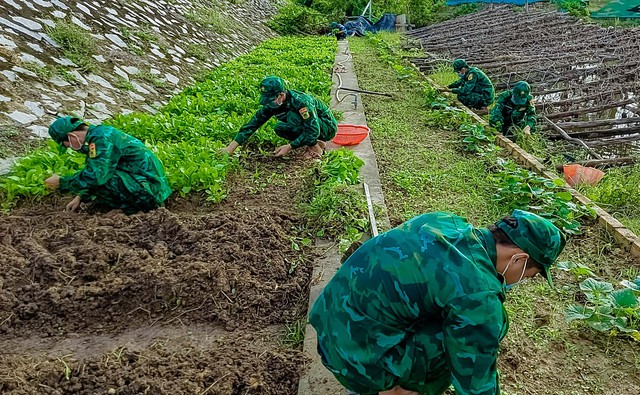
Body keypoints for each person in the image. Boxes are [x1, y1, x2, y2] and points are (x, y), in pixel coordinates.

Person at [310, 209, 566, 395]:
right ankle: (394, 389)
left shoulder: (444, 222)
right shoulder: (478, 295)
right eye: (530, 275)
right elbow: (475, 379)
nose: (523, 280)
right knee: (469, 336)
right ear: (519, 259)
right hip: (355, 364)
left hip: (330, 324)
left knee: (450, 318)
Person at [44, 116, 172, 214]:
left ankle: (133, 211)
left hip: (149, 191)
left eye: (67, 145)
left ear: (71, 136)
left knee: (101, 181)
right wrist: (81, 196)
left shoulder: (101, 139)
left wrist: (62, 182)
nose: (72, 148)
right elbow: (102, 169)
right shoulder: (100, 135)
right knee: (100, 179)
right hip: (148, 187)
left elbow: (96, 176)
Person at [223, 76, 338, 159]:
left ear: (281, 95)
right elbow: (253, 123)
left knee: (294, 117)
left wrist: (290, 146)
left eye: (270, 99)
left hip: (327, 127)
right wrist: (231, 148)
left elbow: (313, 130)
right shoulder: (273, 103)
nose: (268, 103)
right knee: (280, 128)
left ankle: (315, 147)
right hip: (312, 127)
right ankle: (318, 143)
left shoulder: (301, 102)